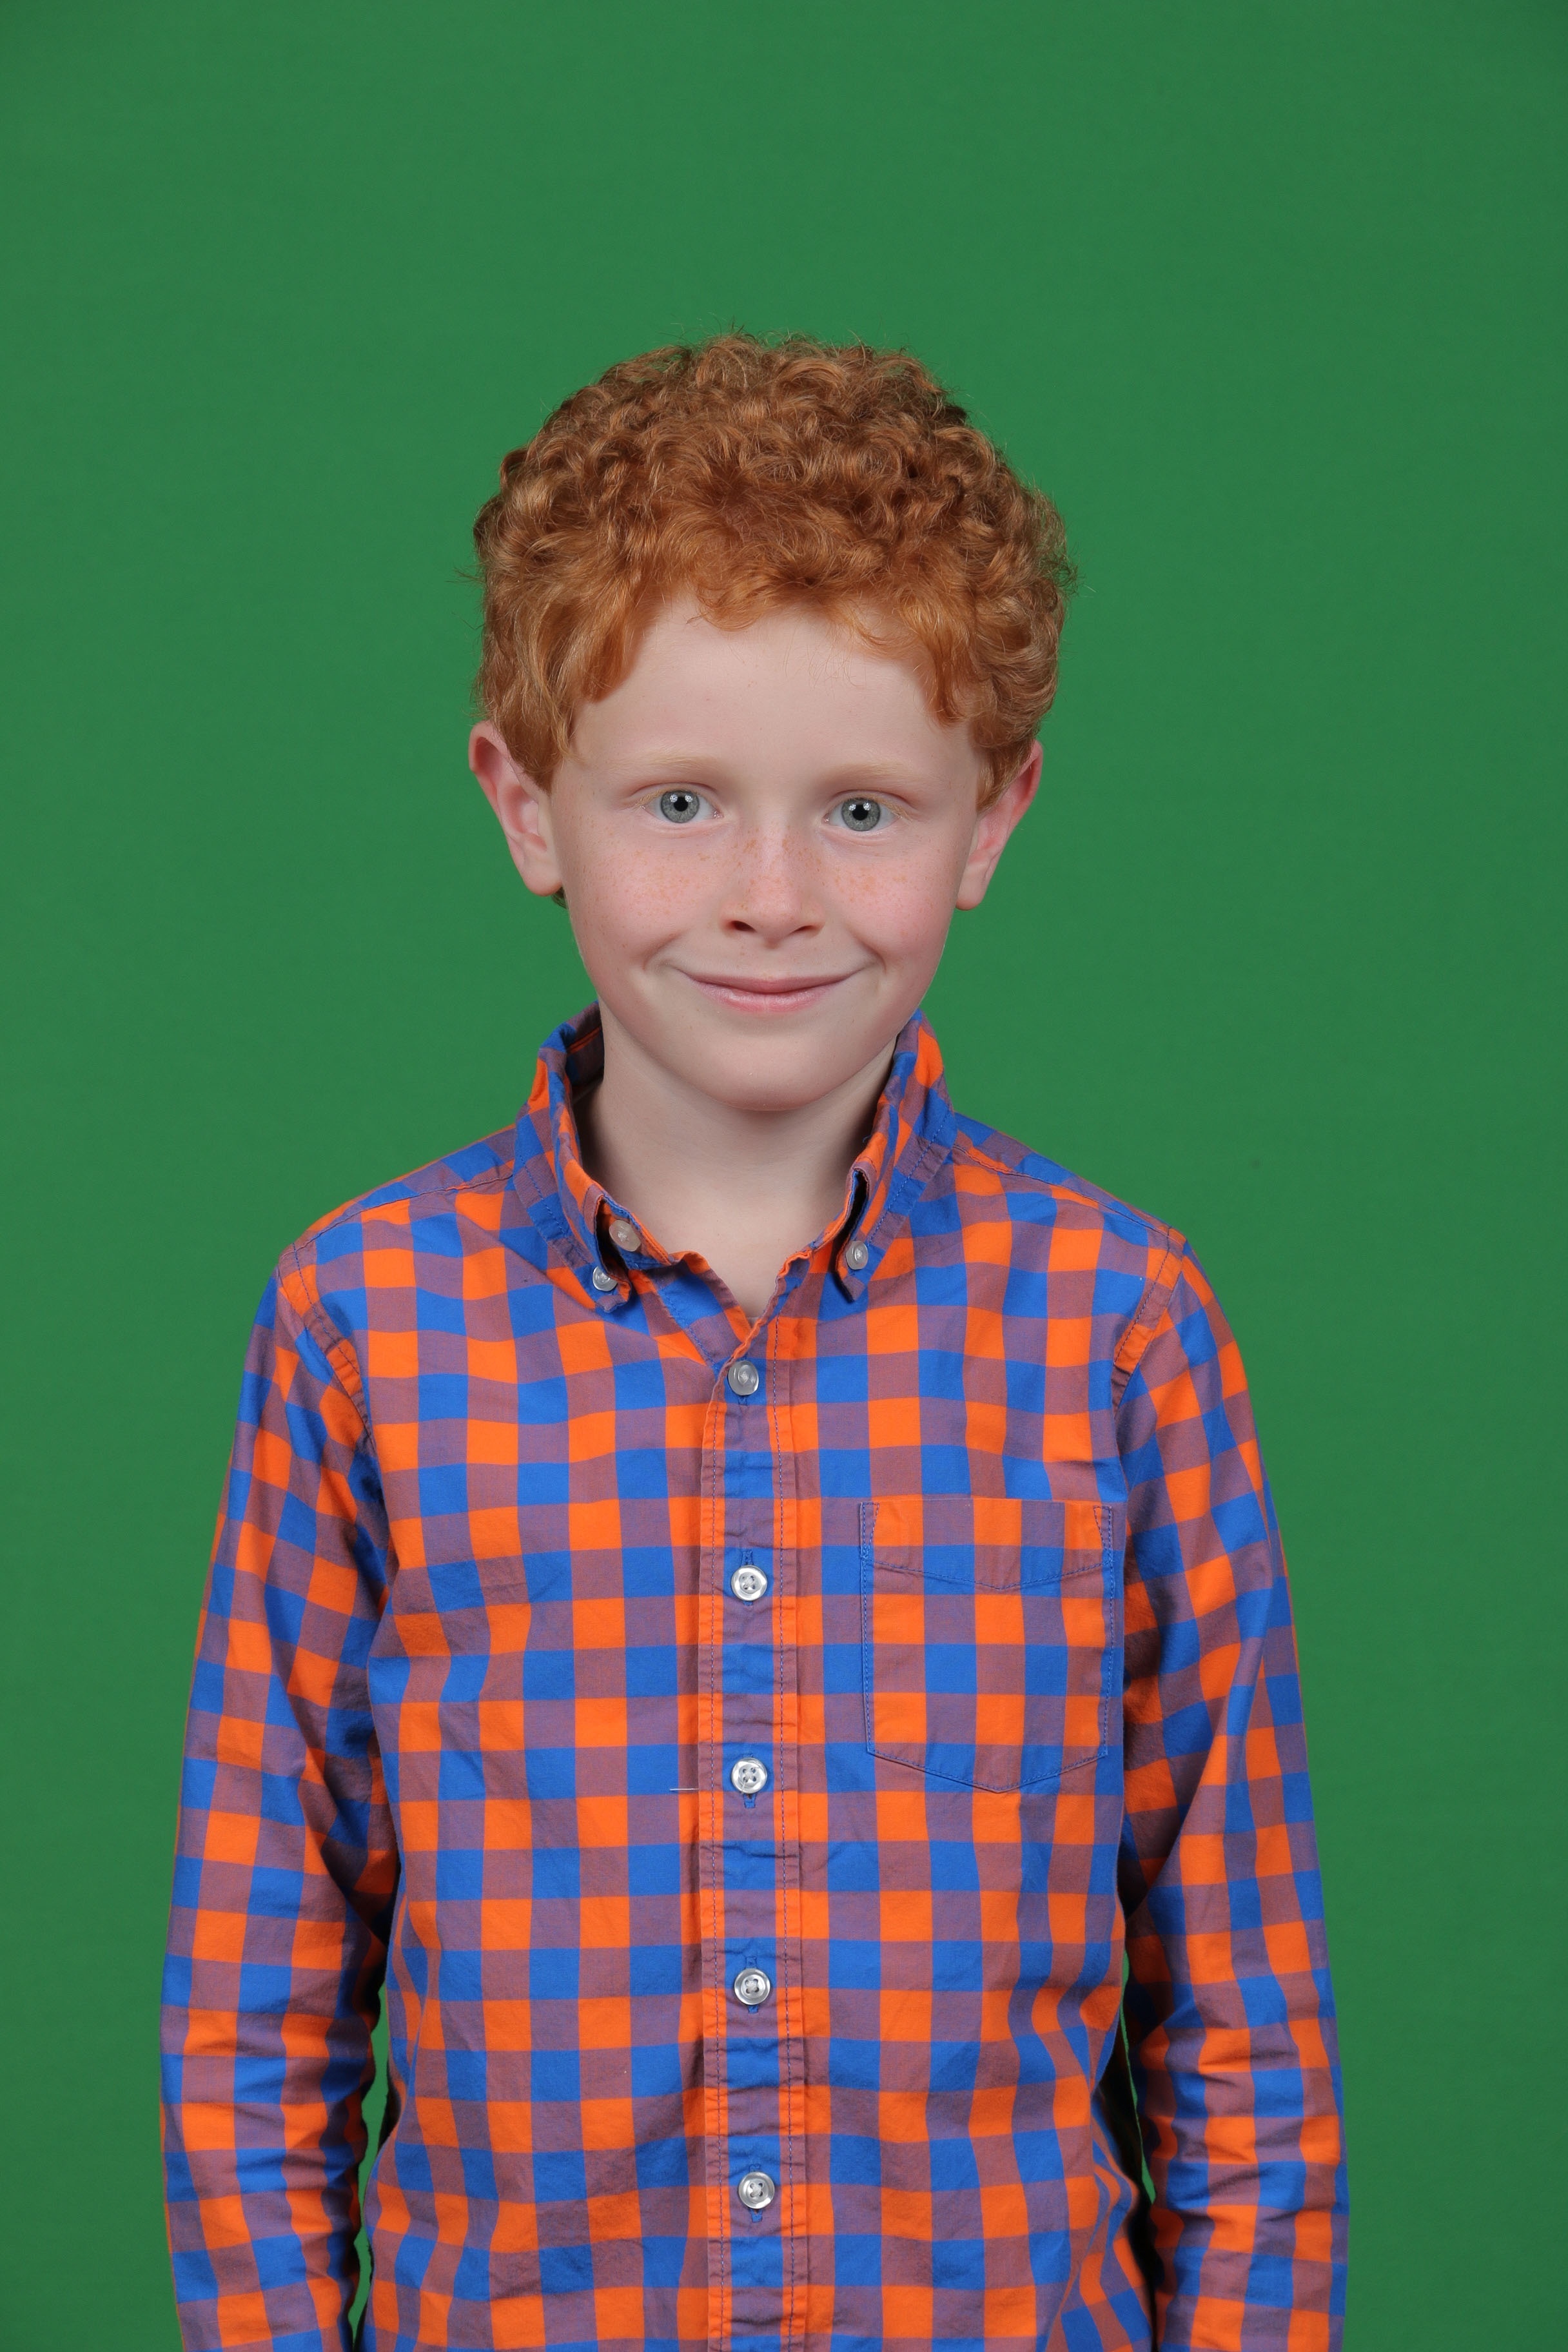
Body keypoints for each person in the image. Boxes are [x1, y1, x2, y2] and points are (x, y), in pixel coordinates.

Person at [161, 333, 1346, 2352]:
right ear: (528, 803)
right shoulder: (360, 1324)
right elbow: (255, 2018)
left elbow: (1242, 2032)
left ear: (993, 818)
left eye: (865, 807)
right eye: (684, 801)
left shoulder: (1121, 1329)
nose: (774, 896)